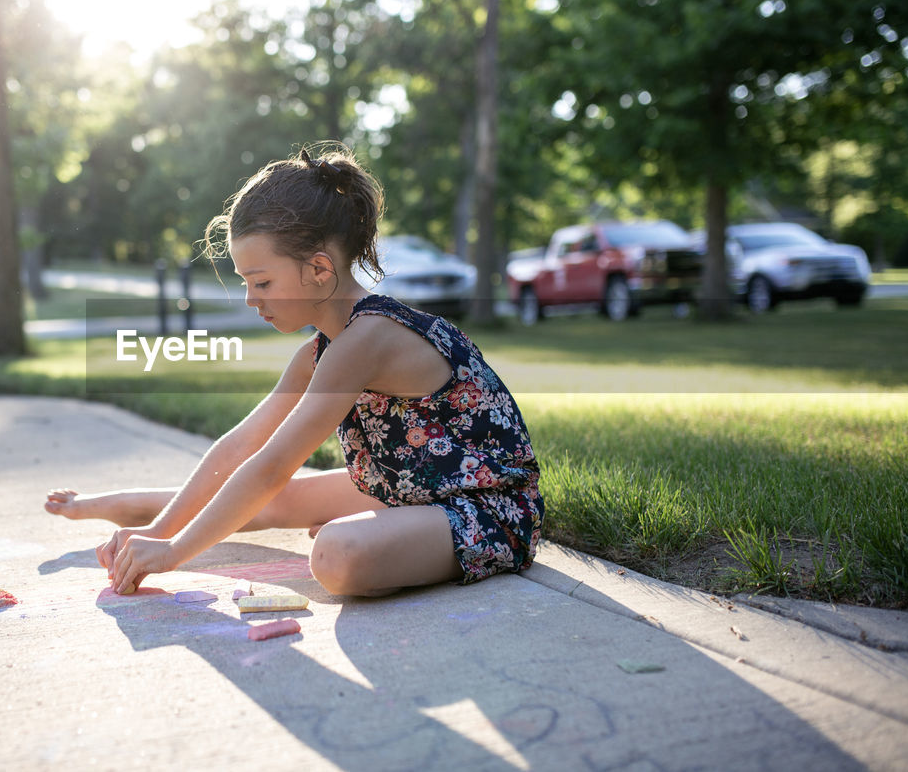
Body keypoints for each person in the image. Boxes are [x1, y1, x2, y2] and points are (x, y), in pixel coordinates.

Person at [45, 143, 543, 597]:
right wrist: (160, 535)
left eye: (261, 282)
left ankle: (385, 530)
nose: (249, 298)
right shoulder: (319, 350)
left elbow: (272, 463)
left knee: (335, 552)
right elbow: (240, 447)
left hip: (488, 510)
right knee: (271, 503)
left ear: (319, 269)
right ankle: (125, 513)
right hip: (410, 487)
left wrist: (175, 554)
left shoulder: (366, 338)